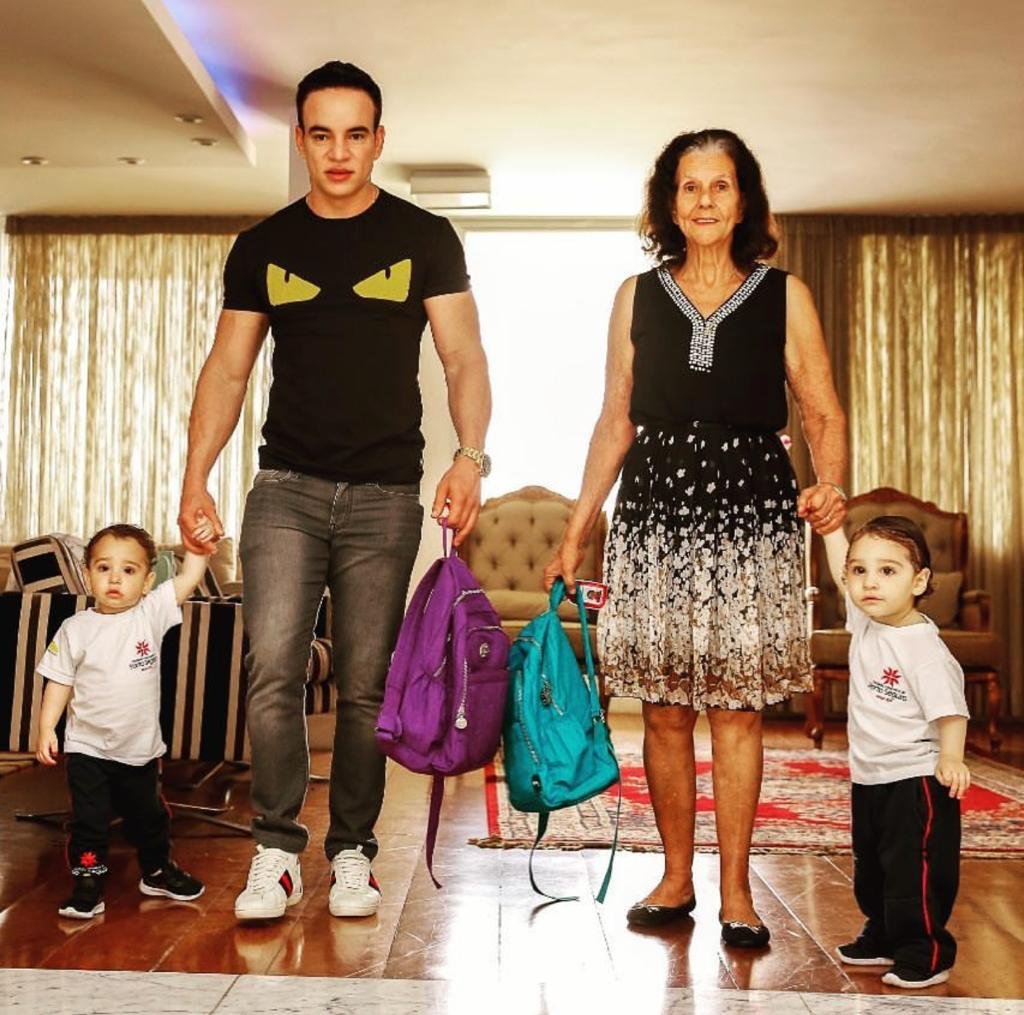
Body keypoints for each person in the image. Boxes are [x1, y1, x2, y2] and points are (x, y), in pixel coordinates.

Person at [177, 61, 492, 922]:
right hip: (284, 488)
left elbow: (464, 356)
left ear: (379, 140)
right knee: (272, 667)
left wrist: (470, 456)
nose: (340, 151)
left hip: (386, 495)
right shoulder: (263, 246)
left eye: (357, 134)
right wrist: (195, 475)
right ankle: (277, 851)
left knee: (364, 683)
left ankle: (353, 851)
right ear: (302, 140)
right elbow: (228, 368)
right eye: (322, 134)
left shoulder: (426, 237)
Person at [544, 129, 847, 945]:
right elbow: (615, 418)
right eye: (689, 186)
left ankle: (738, 890)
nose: (704, 200)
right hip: (656, 512)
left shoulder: (785, 294)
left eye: (720, 185)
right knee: (666, 708)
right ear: (669, 203)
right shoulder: (635, 296)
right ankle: (676, 877)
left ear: (743, 201)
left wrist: (830, 481)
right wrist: (577, 530)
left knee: (738, 710)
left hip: (753, 513)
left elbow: (821, 408)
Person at [818, 514, 969, 989]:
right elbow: (840, 567)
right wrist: (830, 529)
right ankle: (883, 933)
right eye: (859, 570)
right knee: (873, 866)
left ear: (918, 581)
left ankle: (926, 951)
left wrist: (951, 758)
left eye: (887, 571)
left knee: (912, 871)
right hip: (870, 775)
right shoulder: (866, 622)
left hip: (915, 778)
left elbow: (951, 712)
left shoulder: (923, 648)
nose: (870, 582)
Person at [35, 521, 214, 920]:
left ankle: (157, 870)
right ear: (88, 574)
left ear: (148, 580)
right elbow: (59, 681)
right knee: (89, 821)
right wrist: (47, 727)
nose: (115, 578)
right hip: (87, 748)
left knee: (149, 818)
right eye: (104, 568)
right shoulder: (74, 629)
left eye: (128, 570)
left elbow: (189, 577)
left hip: (139, 749)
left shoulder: (150, 614)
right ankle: (88, 881)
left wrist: (198, 547)